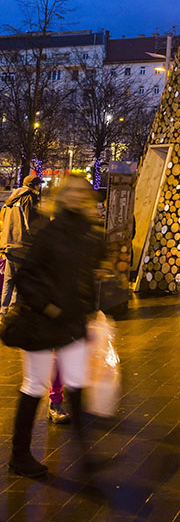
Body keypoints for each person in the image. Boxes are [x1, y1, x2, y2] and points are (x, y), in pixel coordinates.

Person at [5, 175, 106, 478]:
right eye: (71, 191)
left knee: (75, 384)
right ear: (62, 196)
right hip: (41, 323)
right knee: (34, 386)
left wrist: (92, 303)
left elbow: (88, 276)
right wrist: (48, 306)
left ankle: (85, 455)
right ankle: (19, 456)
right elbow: (25, 276)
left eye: (82, 191)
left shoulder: (89, 234)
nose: (76, 196)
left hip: (72, 323)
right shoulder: (47, 231)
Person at [0, 173, 42, 314]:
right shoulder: (29, 198)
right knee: (20, 282)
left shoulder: (10, 200)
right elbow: (31, 225)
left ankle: (3, 311)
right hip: (21, 245)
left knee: (8, 280)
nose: (39, 186)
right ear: (32, 185)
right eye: (38, 184)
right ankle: (13, 314)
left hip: (8, 245)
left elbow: (3, 222)